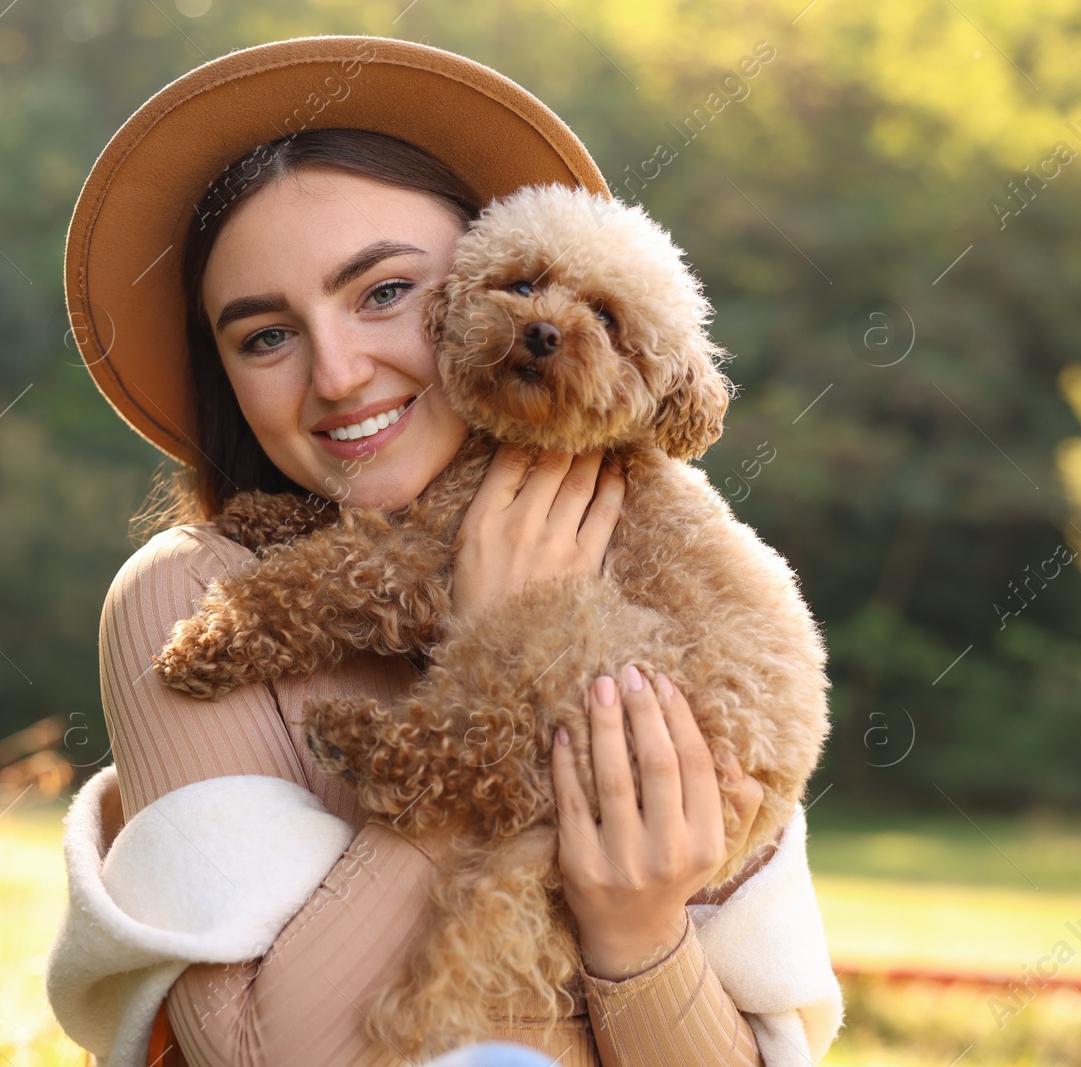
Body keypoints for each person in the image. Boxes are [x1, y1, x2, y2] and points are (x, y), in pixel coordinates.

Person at [46, 36, 843, 1067]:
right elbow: (258, 1050)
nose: (336, 374)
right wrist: (489, 641)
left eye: (383, 293)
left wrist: (636, 930)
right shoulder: (190, 590)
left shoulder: (672, 581)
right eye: (265, 335)